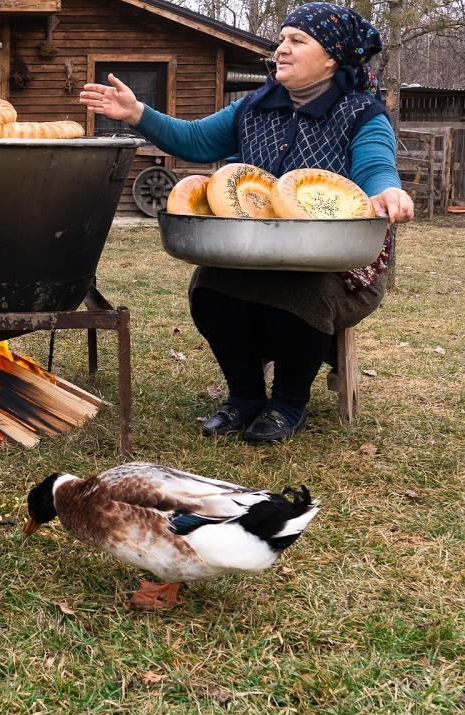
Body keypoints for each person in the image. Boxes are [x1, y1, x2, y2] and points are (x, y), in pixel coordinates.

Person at [80, 2, 414, 445]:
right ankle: (245, 396)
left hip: (341, 262)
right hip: (257, 246)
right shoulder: (255, 106)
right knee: (210, 287)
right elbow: (196, 140)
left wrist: (388, 190)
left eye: (297, 41)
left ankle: (289, 403)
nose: (282, 50)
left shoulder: (362, 114)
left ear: (332, 57)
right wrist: (137, 113)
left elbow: (375, 166)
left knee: (303, 291)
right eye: (282, 40)